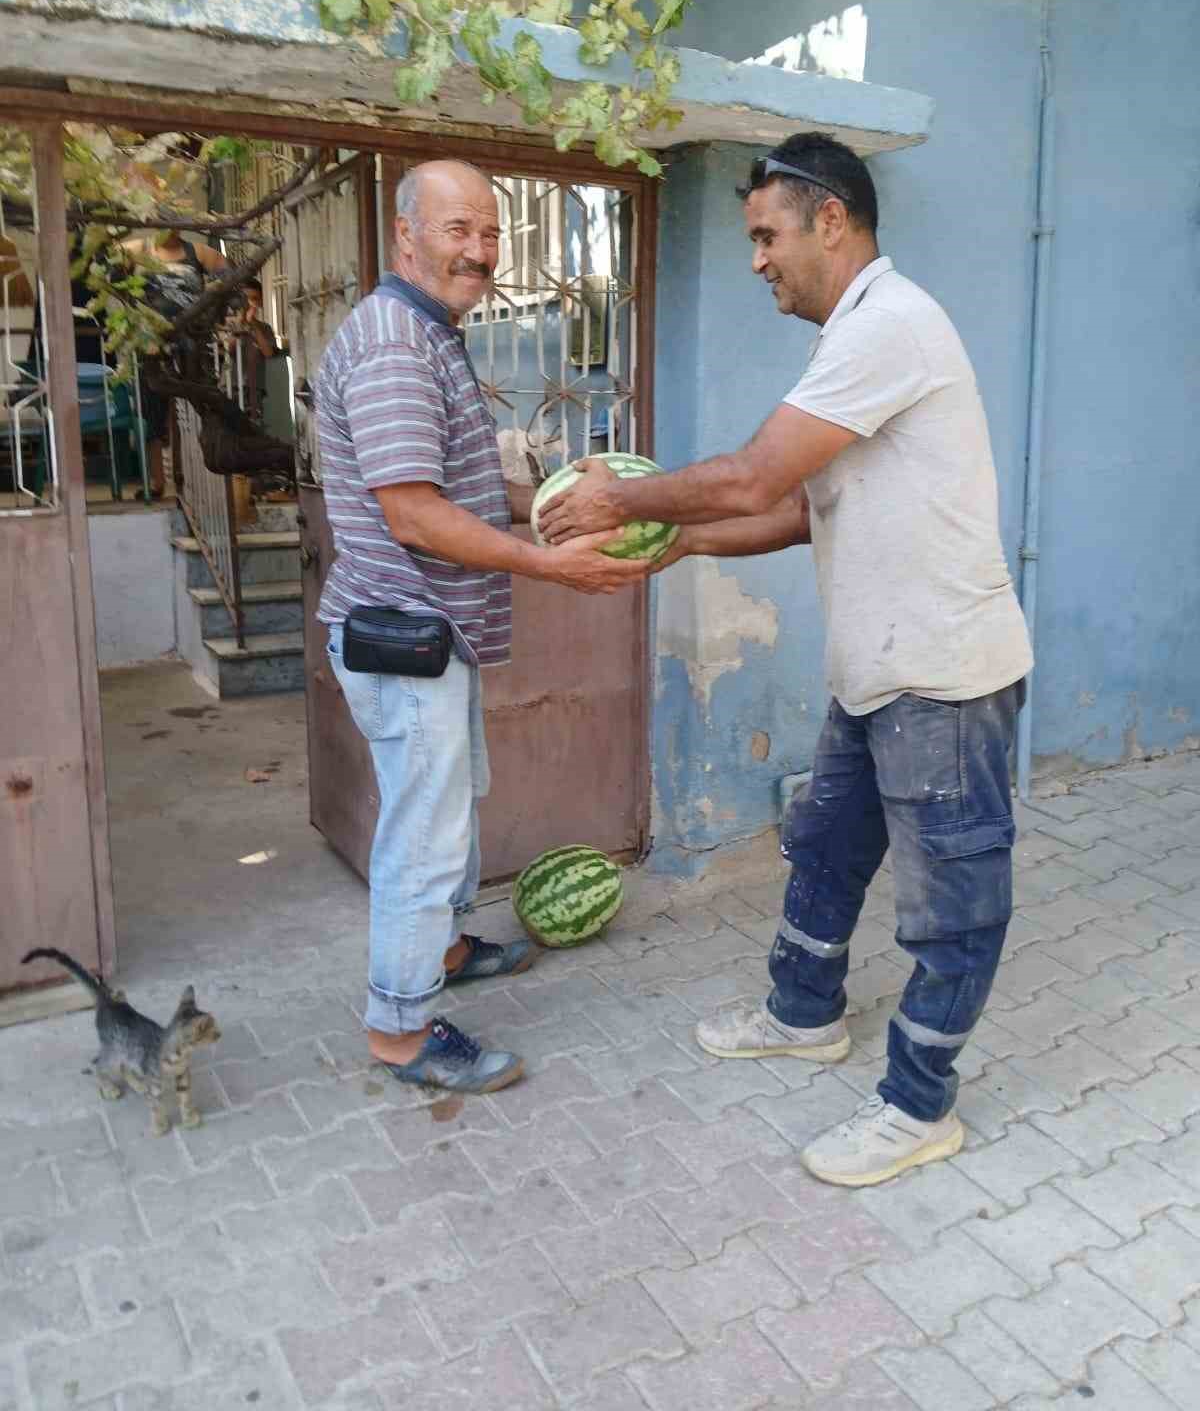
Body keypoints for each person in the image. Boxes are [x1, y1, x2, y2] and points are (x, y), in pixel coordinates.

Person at [539, 132, 1034, 1187]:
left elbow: (756, 474)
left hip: (942, 674)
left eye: (767, 234)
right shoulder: (857, 337)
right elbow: (806, 507)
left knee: (952, 901)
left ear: (832, 220)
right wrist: (680, 541)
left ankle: (918, 1104)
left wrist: (621, 500)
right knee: (825, 846)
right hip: (883, 666)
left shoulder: (891, 325)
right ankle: (805, 1013)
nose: (757, 258)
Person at [315, 158, 649, 1095]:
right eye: (458, 229)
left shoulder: (432, 330)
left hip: (434, 635)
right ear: (406, 236)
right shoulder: (393, 342)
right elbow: (414, 513)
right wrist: (549, 563)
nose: (479, 251)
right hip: (403, 635)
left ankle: (448, 949)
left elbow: (455, 486)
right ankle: (401, 1033)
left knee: (450, 814)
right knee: (420, 840)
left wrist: (547, 503)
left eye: (492, 233)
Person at [123, 229, 227, 498]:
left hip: (194, 343)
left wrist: (217, 317)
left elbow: (231, 284)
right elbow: (104, 275)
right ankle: (158, 481)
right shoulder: (136, 250)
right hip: (150, 343)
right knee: (153, 413)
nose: (170, 228)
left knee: (198, 409)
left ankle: (196, 478)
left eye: (175, 222)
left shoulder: (200, 252)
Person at [224, 278, 279, 424]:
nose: (249, 303)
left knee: (253, 428)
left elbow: (268, 353)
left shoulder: (265, 329)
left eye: (254, 299)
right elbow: (229, 349)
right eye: (245, 299)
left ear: (260, 302)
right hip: (232, 387)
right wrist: (239, 325)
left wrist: (253, 326)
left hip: (254, 392)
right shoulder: (229, 325)